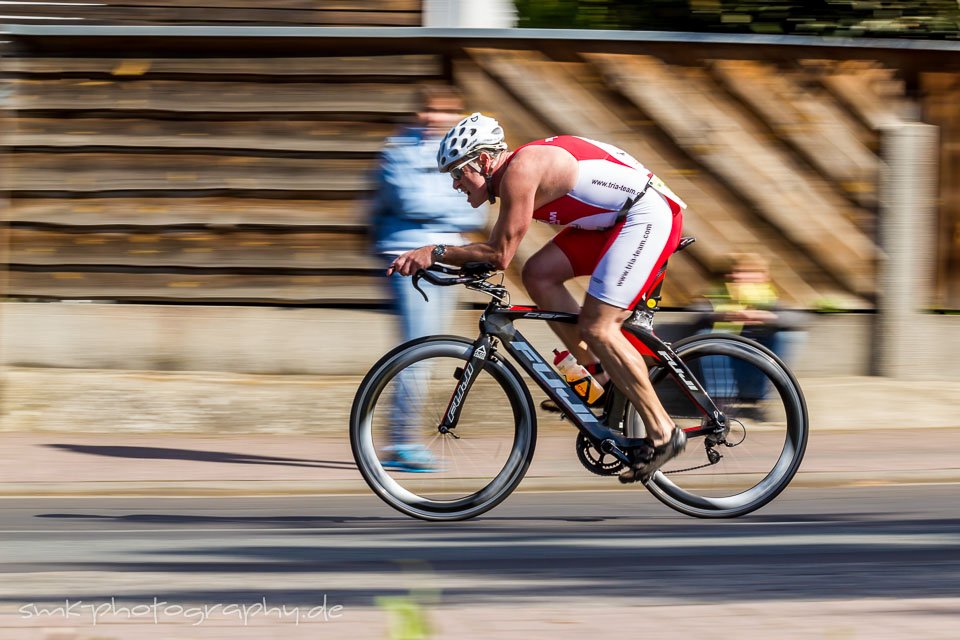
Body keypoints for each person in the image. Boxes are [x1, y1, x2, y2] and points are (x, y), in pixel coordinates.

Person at [387, 113, 688, 483]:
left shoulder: (519, 171)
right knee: (538, 274)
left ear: (483, 160)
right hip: (612, 222)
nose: (454, 185)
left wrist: (435, 251)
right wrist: (456, 263)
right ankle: (601, 377)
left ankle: (663, 431)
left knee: (600, 326)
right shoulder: (514, 172)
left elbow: (499, 254)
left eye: (457, 173)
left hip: (645, 216)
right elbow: (497, 257)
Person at [370, 89, 487, 472]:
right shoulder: (397, 151)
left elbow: (475, 213)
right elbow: (409, 200)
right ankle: (402, 442)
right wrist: (452, 203)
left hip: (448, 258)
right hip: (407, 259)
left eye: (444, 111)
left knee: (431, 351)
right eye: (429, 109)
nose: (434, 117)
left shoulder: (461, 153)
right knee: (417, 351)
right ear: (417, 111)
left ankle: (402, 439)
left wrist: (451, 210)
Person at [690, 252, 805, 414]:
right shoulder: (720, 293)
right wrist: (726, 315)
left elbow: (796, 318)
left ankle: (759, 399)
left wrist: (768, 317)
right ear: (731, 275)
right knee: (706, 335)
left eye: (751, 273)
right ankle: (720, 401)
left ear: (764, 277)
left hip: (756, 349)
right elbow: (697, 313)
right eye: (740, 272)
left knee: (786, 336)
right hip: (725, 347)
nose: (743, 278)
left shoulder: (768, 296)